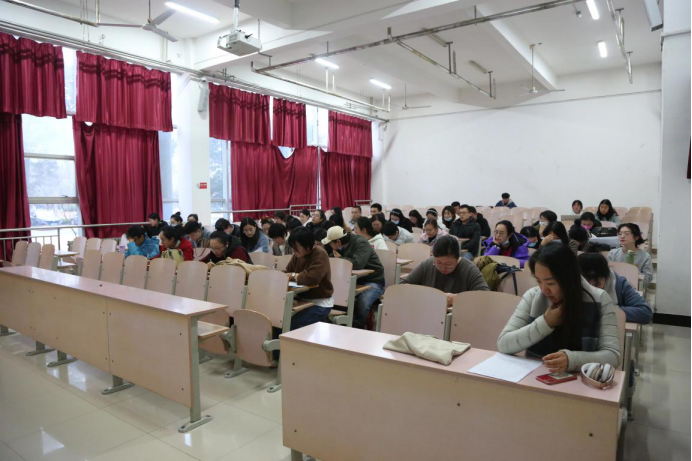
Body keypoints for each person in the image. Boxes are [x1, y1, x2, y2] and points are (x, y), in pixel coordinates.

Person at [497, 243, 621, 373]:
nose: (544, 290)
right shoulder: (533, 296)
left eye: (550, 283)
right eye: (539, 281)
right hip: (535, 377)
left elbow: (613, 356)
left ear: (569, 278)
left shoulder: (600, 299)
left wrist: (572, 360)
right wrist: (545, 322)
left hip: (581, 379)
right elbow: (504, 344)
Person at [322, 226, 385, 329]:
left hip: (373, 281)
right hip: (352, 281)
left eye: (330, 243)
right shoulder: (338, 248)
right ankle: (337, 324)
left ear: (338, 242)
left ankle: (357, 327)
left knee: (362, 302)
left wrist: (341, 258)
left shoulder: (361, 243)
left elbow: (358, 264)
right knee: (334, 296)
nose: (330, 245)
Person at [403, 235, 489, 307]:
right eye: (438, 263)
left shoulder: (469, 269)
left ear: (458, 258)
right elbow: (404, 285)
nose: (443, 268)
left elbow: (485, 296)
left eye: (448, 264)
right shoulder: (428, 264)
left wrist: (457, 298)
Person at [578, 251, 653, 324]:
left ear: (606, 276)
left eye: (597, 284)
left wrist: (606, 309)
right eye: (586, 284)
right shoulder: (573, 283)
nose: (592, 288)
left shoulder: (619, 284)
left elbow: (645, 313)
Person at [284, 228, 335, 330]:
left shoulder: (320, 254)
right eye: (292, 248)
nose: (293, 251)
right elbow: (287, 272)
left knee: (290, 325)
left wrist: (294, 275)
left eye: (296, 248)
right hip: (301, 300)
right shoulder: (297, 255)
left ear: (307, 246)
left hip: (319, 303)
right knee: (279, 321)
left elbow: (312, 277)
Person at [608, 223, 654, 291]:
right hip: (615, 288)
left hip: (634, 289)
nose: (622, 236)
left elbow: (648, 278)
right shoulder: (612, 253)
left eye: (626, 234)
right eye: (620, 233)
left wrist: (636, 274)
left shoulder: (645, 256)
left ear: (636, 237)